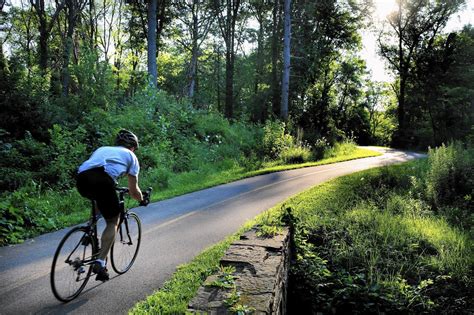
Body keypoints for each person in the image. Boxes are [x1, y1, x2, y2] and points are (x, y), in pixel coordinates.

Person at [76, 129, 143, 281]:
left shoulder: (103, 149)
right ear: (132, 147)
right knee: (113, 220)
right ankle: (100, 262)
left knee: (100, 198)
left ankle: (89, 230)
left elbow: (93, 169)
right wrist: (142, 199)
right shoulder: (132, 157)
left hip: (82, 178)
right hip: (103, 180)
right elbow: (133, 191)